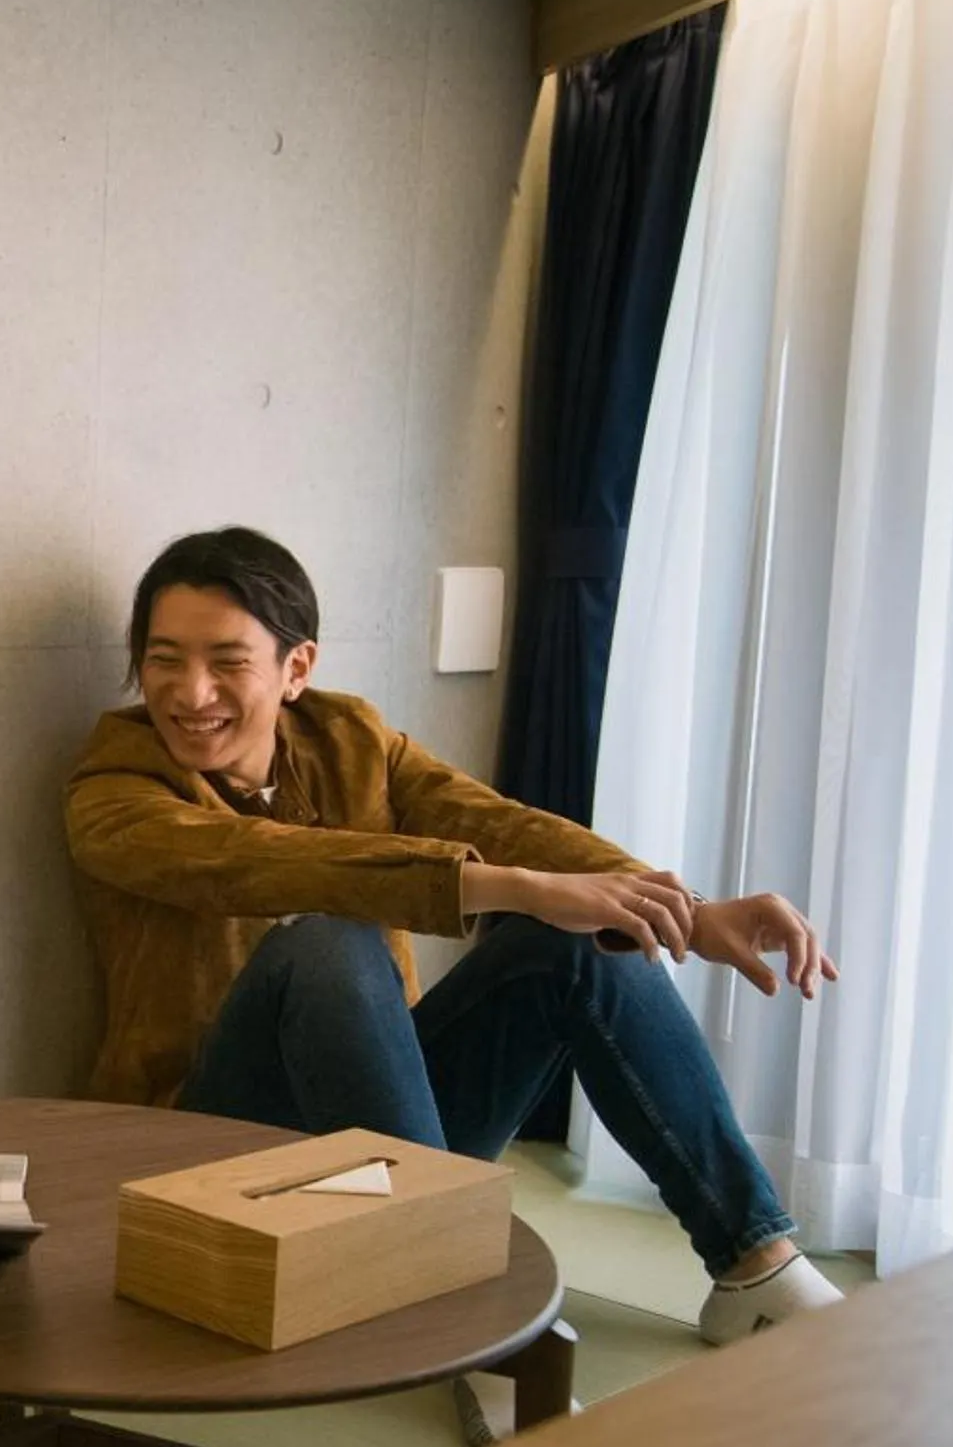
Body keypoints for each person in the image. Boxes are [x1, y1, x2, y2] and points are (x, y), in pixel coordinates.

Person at [65, 528, 845, 1372]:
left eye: (227, 662)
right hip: (213, 1159)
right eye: (163, 660)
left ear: (296, 670)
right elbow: (275, 864)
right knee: (328, 940)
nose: (192, 691)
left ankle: (752, 1266)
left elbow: (494, 822)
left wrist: (687, 910)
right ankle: (465, 1328)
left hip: (387, 1161)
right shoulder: (112, 794)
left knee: (579, 945)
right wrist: (519, 888)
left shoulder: (350, 742)